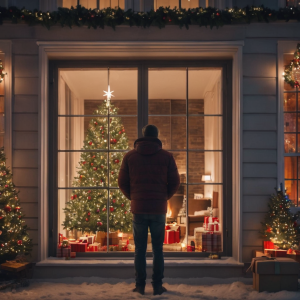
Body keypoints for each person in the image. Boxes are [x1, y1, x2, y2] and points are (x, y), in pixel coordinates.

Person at [118, 124, 180, 296]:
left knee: (139, 249)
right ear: (157, 136)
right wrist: (163, 197)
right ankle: (157, 286)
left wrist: (134, 197)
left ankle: (140, 286)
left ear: (143, 136)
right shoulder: (166, 157)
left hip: (139, 208)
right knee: (158, 249)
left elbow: (122, 183)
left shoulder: (130, 157)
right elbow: (175, 182)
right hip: (158, 209)